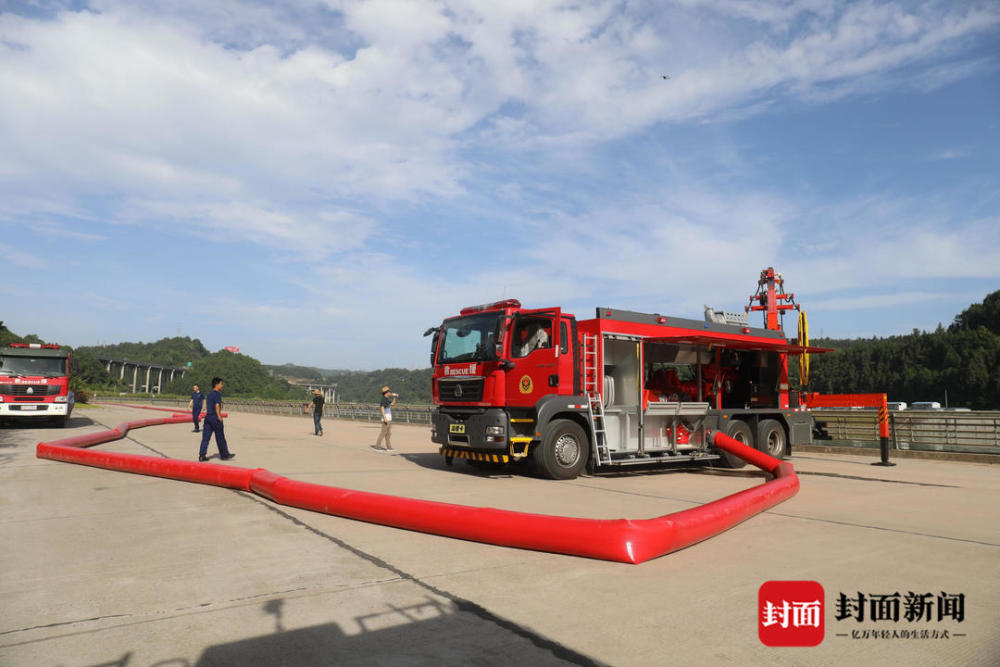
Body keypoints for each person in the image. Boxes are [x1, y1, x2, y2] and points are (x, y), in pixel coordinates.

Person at [198, 377, 235, 462]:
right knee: (220, 437)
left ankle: (202, 455)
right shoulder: (217, 394)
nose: (222, 385)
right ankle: (224, 454)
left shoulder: (210, 394)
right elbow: (217, 406)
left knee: (205, 438)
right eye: (221, 384)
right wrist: (219, 417)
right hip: (215, 417)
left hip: (208, 417)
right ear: (217, 384)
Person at [372, 385, 397, 453]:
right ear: (386, 392)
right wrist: (384, 417)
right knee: (383, 433)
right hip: (385, 419)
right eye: (389, 391)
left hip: (389, 419)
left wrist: (394, 397)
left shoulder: (386, 399)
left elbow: (392, 404)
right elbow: (382, 408)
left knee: (388, 434)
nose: (390, 392)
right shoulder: (383, 399)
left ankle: (389, 447)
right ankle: (377, 446)